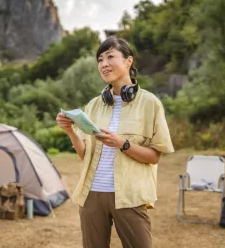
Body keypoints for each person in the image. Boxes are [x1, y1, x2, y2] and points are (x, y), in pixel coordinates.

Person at [56, 36, 174, 248]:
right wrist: (70, 132)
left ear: (129, 61)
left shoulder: (150, 104)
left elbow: (155, 157)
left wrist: (123, 144)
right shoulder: (93, 105)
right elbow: (85, 155)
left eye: (110, 57)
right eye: (100, 59)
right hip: (92, 195)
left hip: (130, 195)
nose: (104, 64)